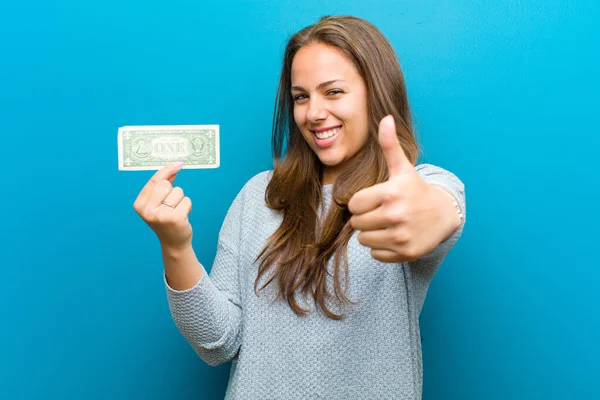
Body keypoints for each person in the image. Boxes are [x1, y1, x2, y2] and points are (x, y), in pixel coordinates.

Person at [133, 15, 466, 400]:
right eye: (301, 96)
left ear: (376, 93)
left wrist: (437, 213)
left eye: (334, 92)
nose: (313, 113)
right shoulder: (258, 196)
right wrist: (175, 245)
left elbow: (443, 206)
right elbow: (217, 343)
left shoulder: (409, 191)